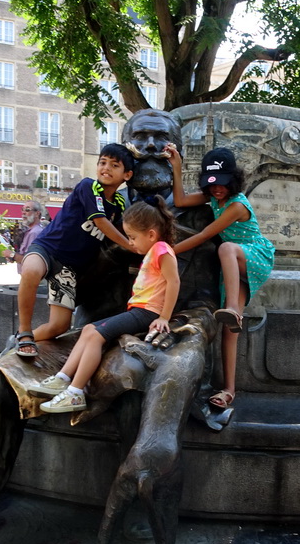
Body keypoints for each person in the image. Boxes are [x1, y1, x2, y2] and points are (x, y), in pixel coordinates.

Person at [32, 197, 179, 413]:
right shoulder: (154, 250)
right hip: (139, 310)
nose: (130, 243)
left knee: (95, 335)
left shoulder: (161, 250)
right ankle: (62, 378)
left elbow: (174, 281)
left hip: (147, 312)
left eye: (133, 237)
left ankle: (75, 392)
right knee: (90, 329)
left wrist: (164, 316)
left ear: (151, 234)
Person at [164, 145, 275, 410]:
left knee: (224, 247)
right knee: (229, 331)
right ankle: (229, 390)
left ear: (233, 181)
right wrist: (176, 167)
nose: (216, 189)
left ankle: (233, 310)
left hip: (254, 256)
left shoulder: (236, 205)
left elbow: (203, 237)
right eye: (211, 185)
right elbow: (179, 201)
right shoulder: (214, 198)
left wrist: (163, 253)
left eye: (222, 184)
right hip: (232, 267)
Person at [14, 144, 136, 358]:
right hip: (48, 248)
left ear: (127, 175)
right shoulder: (88, 186)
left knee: (59, 327)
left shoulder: (119, 205)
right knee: (30, 270)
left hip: (68, 269)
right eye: (103, 162)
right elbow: (101, 222)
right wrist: (130, 244)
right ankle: (24, 332)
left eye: (114, 165)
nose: (106, 168)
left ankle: (25, 339)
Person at [14, 201, 46, 272]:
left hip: (32, 278)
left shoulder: (34, 232)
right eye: (22, 209)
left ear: (37, 213)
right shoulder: (31, 231)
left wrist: (11, 255)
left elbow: (30, 261)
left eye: (27, 210)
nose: (23, 212)